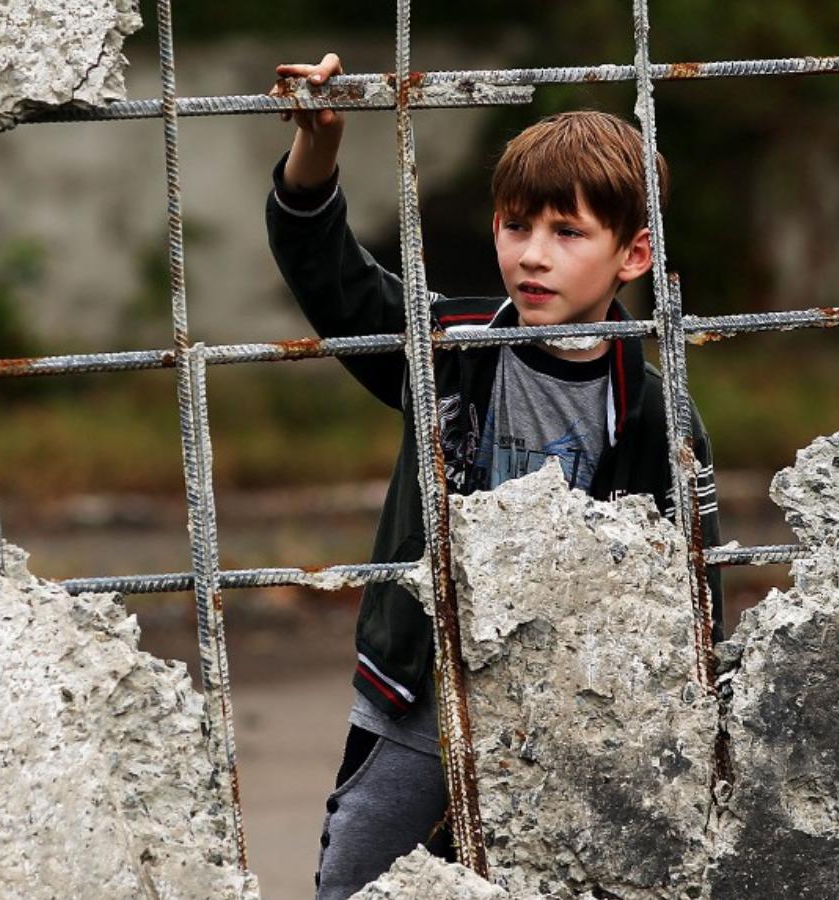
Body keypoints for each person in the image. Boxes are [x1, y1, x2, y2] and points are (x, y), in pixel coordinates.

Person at [266, 53, 723, 899]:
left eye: (568, 232)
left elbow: (699, 600)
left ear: (633, 254)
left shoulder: (661, 418)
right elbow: (323, 270)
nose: (534, 256)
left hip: (570, 724)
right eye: (517, 226)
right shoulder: (448, 347)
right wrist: (318, 147)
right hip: (418, 703)